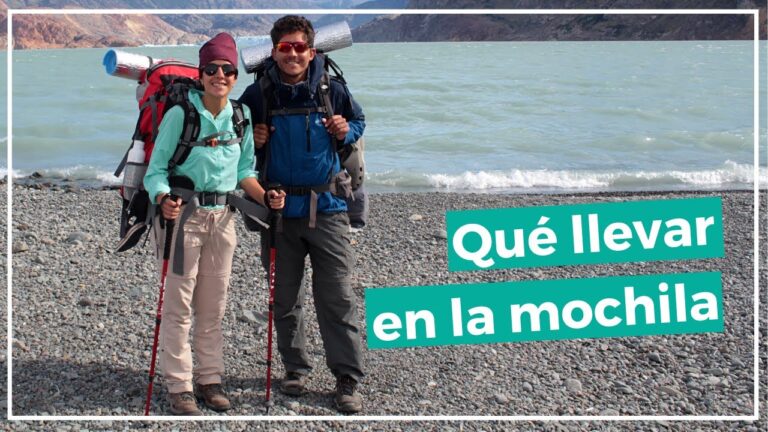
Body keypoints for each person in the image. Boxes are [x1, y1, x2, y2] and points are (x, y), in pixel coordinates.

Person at [144, 32, 285, 415]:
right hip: (183, 221)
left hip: (223, 222)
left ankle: (210, 379)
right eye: (211, 69)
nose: (219, 75)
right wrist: (163, 199)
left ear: (236, 75)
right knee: (178, 306)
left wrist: (266, 197)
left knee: (213, 307)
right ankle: (180, 386)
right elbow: (155, 171)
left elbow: (245, 172)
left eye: (227, 70)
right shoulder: (181, 114)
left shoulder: (241, 116)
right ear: (201, 73)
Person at [238, 15, 366, 413]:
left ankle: (347, 377)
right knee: (284, 298)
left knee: (337, 297)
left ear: (311, 51)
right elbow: (233, 139)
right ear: (274, 51)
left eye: (299, 47)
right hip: (277, 212)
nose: (292, 54)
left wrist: (346, 130)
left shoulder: (332, 89)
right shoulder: (257, 95)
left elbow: (359, 122)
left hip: (328, 209)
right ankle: (295, 368)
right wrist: (252, 136)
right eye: (285, 48)